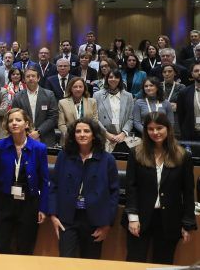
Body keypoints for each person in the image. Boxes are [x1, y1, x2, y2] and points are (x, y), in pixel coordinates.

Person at [124, 112, 196, 264]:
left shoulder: (183, 156)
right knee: (134, 261)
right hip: (140, 218)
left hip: (170, 220)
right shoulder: (136, 153)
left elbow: (188, 192)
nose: (155, 132)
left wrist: (187, 223)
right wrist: (132, 218)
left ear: (168, 128)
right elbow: (131, 188)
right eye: (150, 129)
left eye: (159, 128)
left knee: (163, 263)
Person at [47, 118, 119, 258]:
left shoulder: (107, 159)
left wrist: (107, 224)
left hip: (95, 220)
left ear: (94, 135)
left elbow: (113, 193)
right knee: (65, 262)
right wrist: (53, 215)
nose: (82, 134)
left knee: (90, 263)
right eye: (78, 131)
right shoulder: (64, 155)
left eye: (86, 131)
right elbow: (54, 185)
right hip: (67, 218)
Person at [0, 108, 49, 254]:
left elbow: (44, 180)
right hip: (5, 202)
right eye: (10, 121)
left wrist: (42, 207)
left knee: (25, 248)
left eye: (18, 120)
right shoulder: (0, 146)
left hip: (29, 204)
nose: (14, 123)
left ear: (27, 124)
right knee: (3, 246)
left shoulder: (39, 148)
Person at [12, 66, 59, 146]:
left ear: (38, 78)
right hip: (24, 137)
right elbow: (15, 118)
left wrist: (38, 132)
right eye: (28, 76)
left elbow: (53, 117)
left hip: (45, 137)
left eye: (33, 76)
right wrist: (28, 132)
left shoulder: (49, 95)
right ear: (24, 79)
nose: (30, 78)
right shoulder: (18, 97)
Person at [94, 70, 135, 152]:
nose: (113, 79)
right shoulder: (97, 95)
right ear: (107, 79)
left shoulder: (128, 96)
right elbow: (95, 118)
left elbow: (131, 118)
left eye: (116, 77)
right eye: (110, 77)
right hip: (104, 136)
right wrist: (106, 134)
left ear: (120, 79)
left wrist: (123, 133)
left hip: (123, 136)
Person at [58, 77, 98, 146]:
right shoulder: (62, 103)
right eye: (75, 87)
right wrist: (73, 136)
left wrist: (87, 134)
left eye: (80, 87)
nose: (78, 89)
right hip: (69, 140)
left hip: (88, 139)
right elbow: (61, 124)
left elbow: (95, 121)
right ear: (70, 88)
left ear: (84, 88)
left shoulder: (92, 102)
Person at [176, 62, 200, 140]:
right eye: (196, 71)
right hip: (193, 135)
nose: (199, 73)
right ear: (192, 74)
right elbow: (181, 116)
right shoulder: (184, 93)